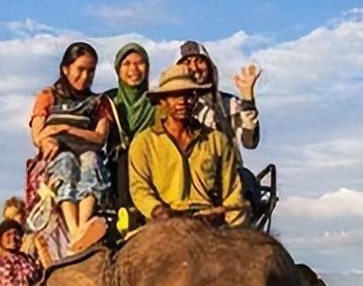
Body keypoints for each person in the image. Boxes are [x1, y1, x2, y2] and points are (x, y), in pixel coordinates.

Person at [128, 64, 248, 228]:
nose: (182, 102)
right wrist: (157, 210)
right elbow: (139, 189)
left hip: (208, 222)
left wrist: (229, 220)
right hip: (162, 223)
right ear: (161, 100)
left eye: (188, 95)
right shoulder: (144, 142)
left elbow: (233, 191)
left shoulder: (217, 140)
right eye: (174, 96)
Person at [29, 42, 113, 252]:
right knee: (66, 162)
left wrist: (66, 129)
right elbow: (38, 134)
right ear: (66, 68)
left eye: (91, 71)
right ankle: (76, 230)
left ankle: (83, 225)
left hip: (87, 156)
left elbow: (100, 137)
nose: (85, 76)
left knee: (90, 159)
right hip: (58, 160)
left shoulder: (98, 102)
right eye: (80, 69)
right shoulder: (48, 96)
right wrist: (47, 140)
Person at [177, 40, 261, 152]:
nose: (194, 67)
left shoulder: (229, 104)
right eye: (187, 62)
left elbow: (250, 141)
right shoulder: (167, 106)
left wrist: (247, 98)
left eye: (199, 61)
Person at [103, 43, 154, 209]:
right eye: (126, 64)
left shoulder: (157, 102)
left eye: (140, 63)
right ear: (118, 69)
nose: (134, 68)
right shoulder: (108, 101)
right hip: (117, 168)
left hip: (152, 161)